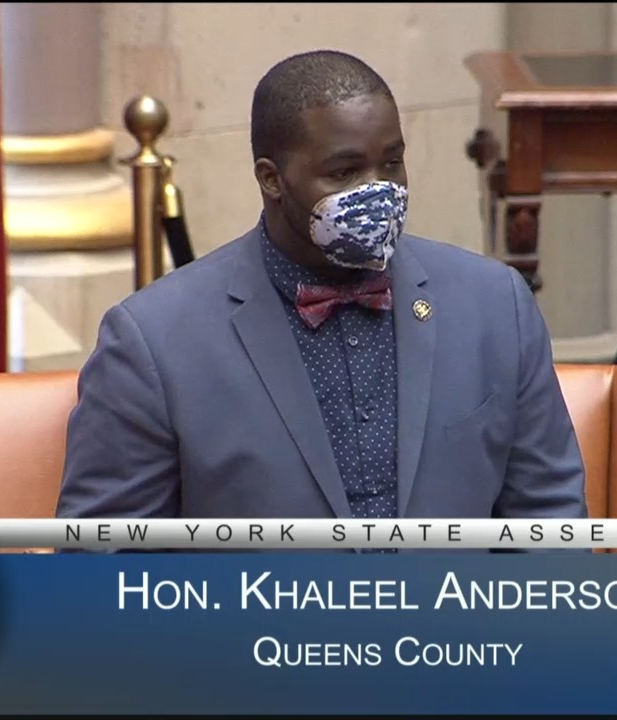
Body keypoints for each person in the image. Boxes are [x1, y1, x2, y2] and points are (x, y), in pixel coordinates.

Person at [55, 50, 586, 532]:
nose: (379, 191)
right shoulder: (154, 342)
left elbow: (549, 521)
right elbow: (103, 568)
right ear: (271, 179)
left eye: (392, 162)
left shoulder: (496, 305)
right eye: (345, 171)